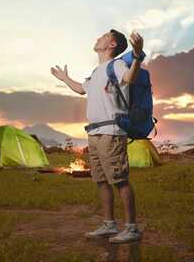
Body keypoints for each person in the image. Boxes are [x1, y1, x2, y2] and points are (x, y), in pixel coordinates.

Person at [50, 29, 145, 244]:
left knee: (120, 180)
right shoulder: (96, 72)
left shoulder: (117, 65)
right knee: (101, 181)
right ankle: (109, 224)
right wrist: (65, 78)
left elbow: (130, 78)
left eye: (103, 36)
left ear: (112, 44)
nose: (98, 38)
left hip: (111, 132)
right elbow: (81, 90)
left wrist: (137, 56)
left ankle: (132, 228)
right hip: (94, 132)